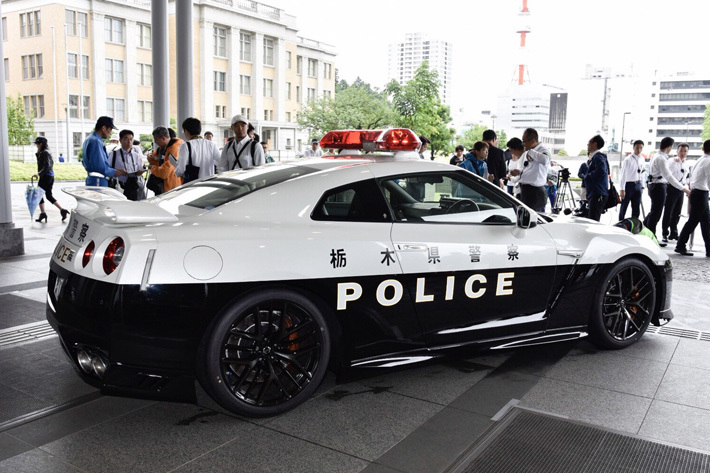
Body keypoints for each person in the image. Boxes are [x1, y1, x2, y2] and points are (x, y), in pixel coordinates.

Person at [643, 137, 690, 244]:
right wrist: (684, 189)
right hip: (659, 187)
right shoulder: (662, 159)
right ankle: (651, 237)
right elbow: (669, 176)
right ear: (670, 147)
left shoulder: (657, 155)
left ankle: (643, 230)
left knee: (654, 212)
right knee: (657, 213)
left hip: (655, 185)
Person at [675, 140, 710, 257]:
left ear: (703, 149)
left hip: (697, 192)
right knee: (694, 221)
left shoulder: (701, 159)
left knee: (706, 223)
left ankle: (709, 249)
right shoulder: (708, 161)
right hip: (700, 194)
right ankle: (680, 245)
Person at [510, 128, 550, 212]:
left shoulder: (543, 150)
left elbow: (546, 160)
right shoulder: (529, 152)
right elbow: (529, 167)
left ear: (532, 141)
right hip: (525, 190)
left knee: (531, 219)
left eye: (524, 141)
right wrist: (519, 171)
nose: (523, 144)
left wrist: (531, 152)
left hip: (535, 192)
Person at [32, 136, 70, 223]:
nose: (36, 146)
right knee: (48, 195)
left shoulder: (45, 153)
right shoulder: (45, 152)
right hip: (49, 176)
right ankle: (62, 210)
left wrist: (39, 173)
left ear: (40, 144)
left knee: (39, 195)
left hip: (45, 176)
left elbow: (47, 166)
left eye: (37, 144)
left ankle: (43, 213)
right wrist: (38, 153)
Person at [82, 116, 126, 186]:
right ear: (103, 128)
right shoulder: (96, 141)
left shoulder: (89, 139)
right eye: (110, 129)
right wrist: (113, 172)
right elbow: (99, 166)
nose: (110, 132)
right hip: (98, 180)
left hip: (92, 179)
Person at [661, 143, 689, 242]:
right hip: (671, 188)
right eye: (681, 150)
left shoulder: (686, 163)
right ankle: (664, 233)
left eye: (685, 151)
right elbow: (668, 176)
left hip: (681, 189)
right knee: (668, 212)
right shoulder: (671, 161)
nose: (683, 153)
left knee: (677, 212)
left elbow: (686, 178)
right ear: (677, 151)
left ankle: (673, 233)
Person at [111, 129, 146, 201]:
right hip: (120, 187)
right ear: (120, 140)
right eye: (126, 139)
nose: (129, 141)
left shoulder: (136, 155)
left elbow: (140, 168)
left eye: (131, 139)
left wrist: (139, 172)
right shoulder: (114, 154)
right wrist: (119, 171)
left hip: (134, 186)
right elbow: (107, 169)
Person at [147, 126, 184, 193]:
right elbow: (155, 159)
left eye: (156, 139)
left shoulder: (174, 149)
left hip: (171, 188)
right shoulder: (163, 148)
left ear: (163, 138)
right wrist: (151, 158)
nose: (155, 142)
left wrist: (152, 168)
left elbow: (164, 172)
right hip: (162, 186)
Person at [584, 135, 609, 222]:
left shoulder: (598, 157)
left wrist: (588, 176)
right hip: (596, 193)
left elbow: (601, 171)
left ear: (595, 144)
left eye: (589, 142)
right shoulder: (596, 157)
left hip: (598, 194)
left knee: (593, 221)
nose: (587, 145)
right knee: (592, 219)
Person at [618, 140, 645, 220]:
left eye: (641, 148)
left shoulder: (642, 159)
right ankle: (620, 222)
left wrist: (642, 186)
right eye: (637, 147)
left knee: (636, 207)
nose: (639, 150)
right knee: (624, 206)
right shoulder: (628, 159)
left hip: (638, 185)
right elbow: (623, 175)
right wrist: (622, 189)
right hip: (629, 185)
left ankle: (635, 224)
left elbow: (643, 173)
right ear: (633, 148)